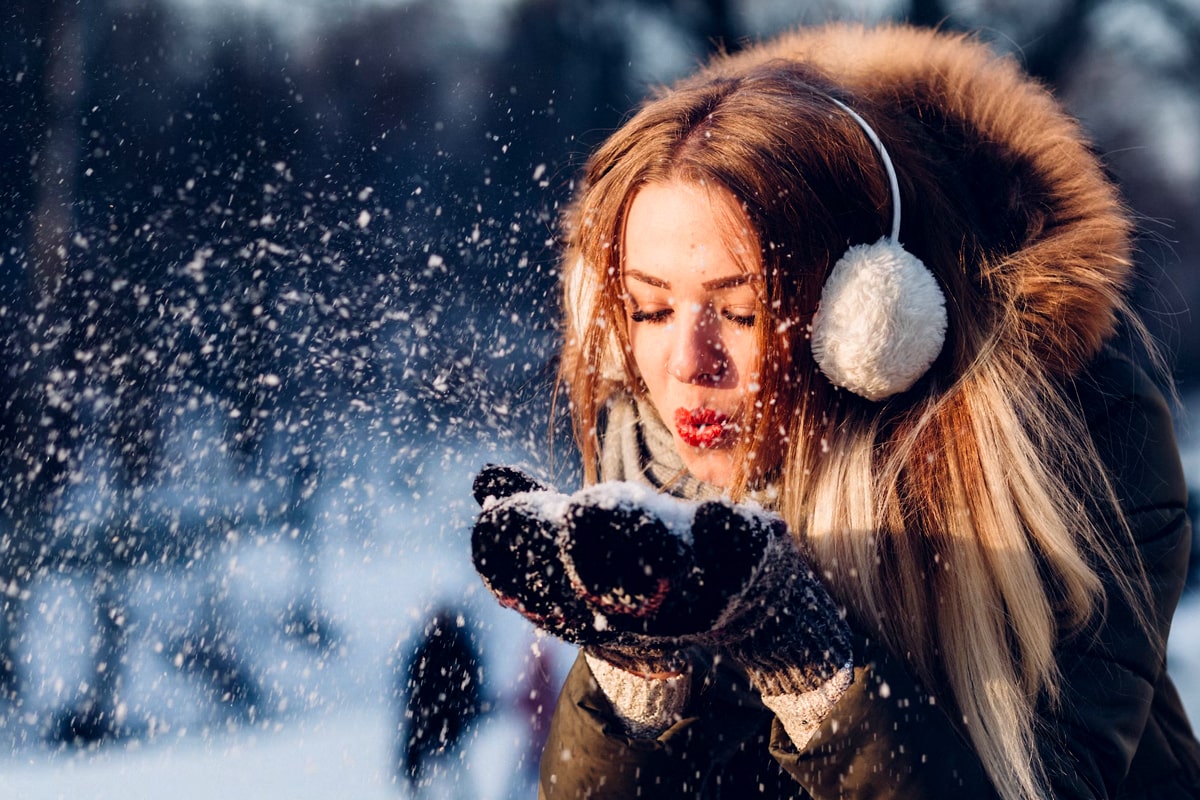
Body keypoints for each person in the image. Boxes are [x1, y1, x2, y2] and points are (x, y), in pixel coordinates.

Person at [470, 22, 1200, 799]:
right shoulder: (649, 462)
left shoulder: (1078, 440)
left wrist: (811, 670)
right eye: (649, 312)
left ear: (869, 319)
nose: (687, 366)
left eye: (741, 313)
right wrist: (638, 678)